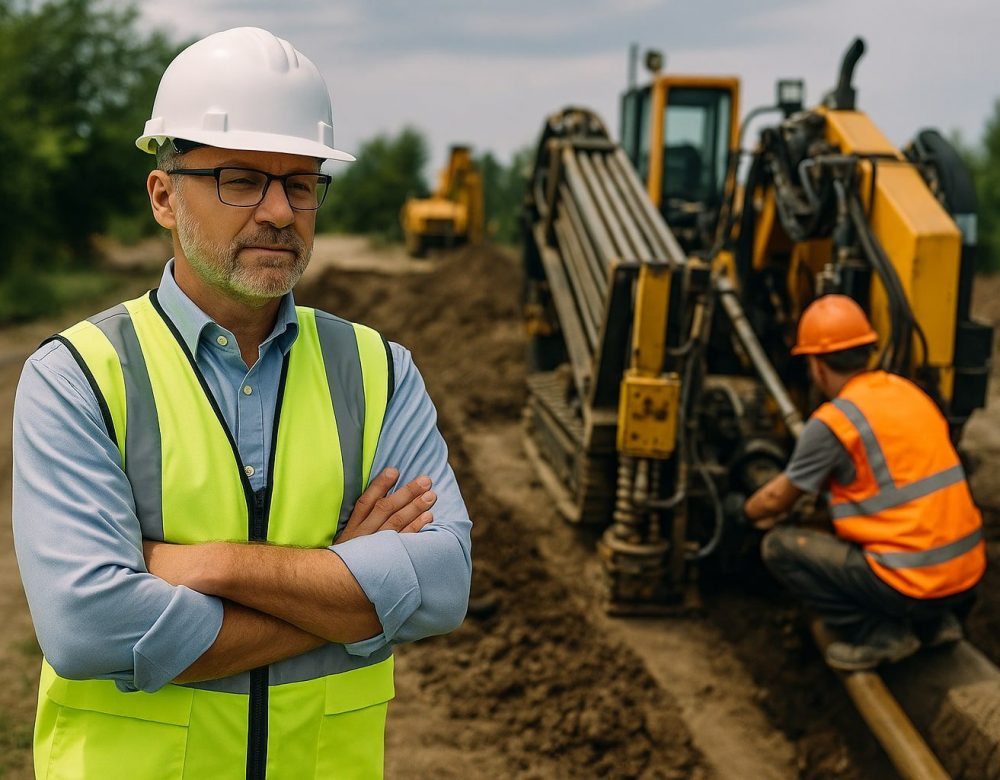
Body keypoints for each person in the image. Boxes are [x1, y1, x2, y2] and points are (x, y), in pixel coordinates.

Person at [12, 27, 471, 779]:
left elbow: (444, 585)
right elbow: (89, 627)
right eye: (239, 179)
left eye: (300, 183)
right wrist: (350, 589)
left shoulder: (379, 371)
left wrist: (213, 565)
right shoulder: (79, 376)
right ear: (164, 195)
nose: (279, 212)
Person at [743, 295, 985, 671]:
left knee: (780, 547)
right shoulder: (909, 393)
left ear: (817, 366)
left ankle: (879, 633)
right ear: (867, 351)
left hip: (909, 585)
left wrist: (745, 511)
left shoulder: (834, 423)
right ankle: (936, 624)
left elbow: (776, 500)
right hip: (966, 575)